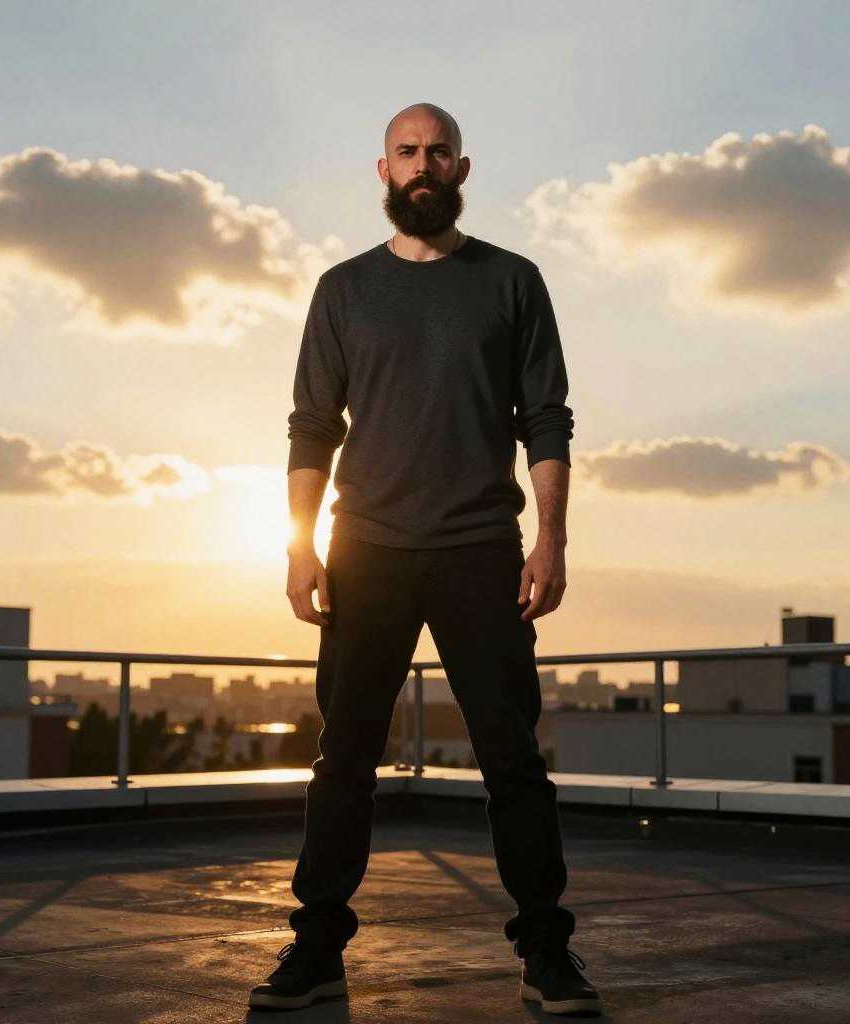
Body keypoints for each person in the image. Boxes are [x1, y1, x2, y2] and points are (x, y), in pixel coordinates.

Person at [249, 102, 602, 1017]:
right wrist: (300, 547)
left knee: (512, 760)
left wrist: (553, 537)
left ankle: (546, 952)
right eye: (407, 151)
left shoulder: (512, 280)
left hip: (481, 549)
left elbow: (546, 419)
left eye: (438, 152)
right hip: (364, 549)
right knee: (343, 760)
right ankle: (317, 948)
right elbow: (312, 426)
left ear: (461, 168)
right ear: (384, 170)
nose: (422, 164)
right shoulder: (343, 289)